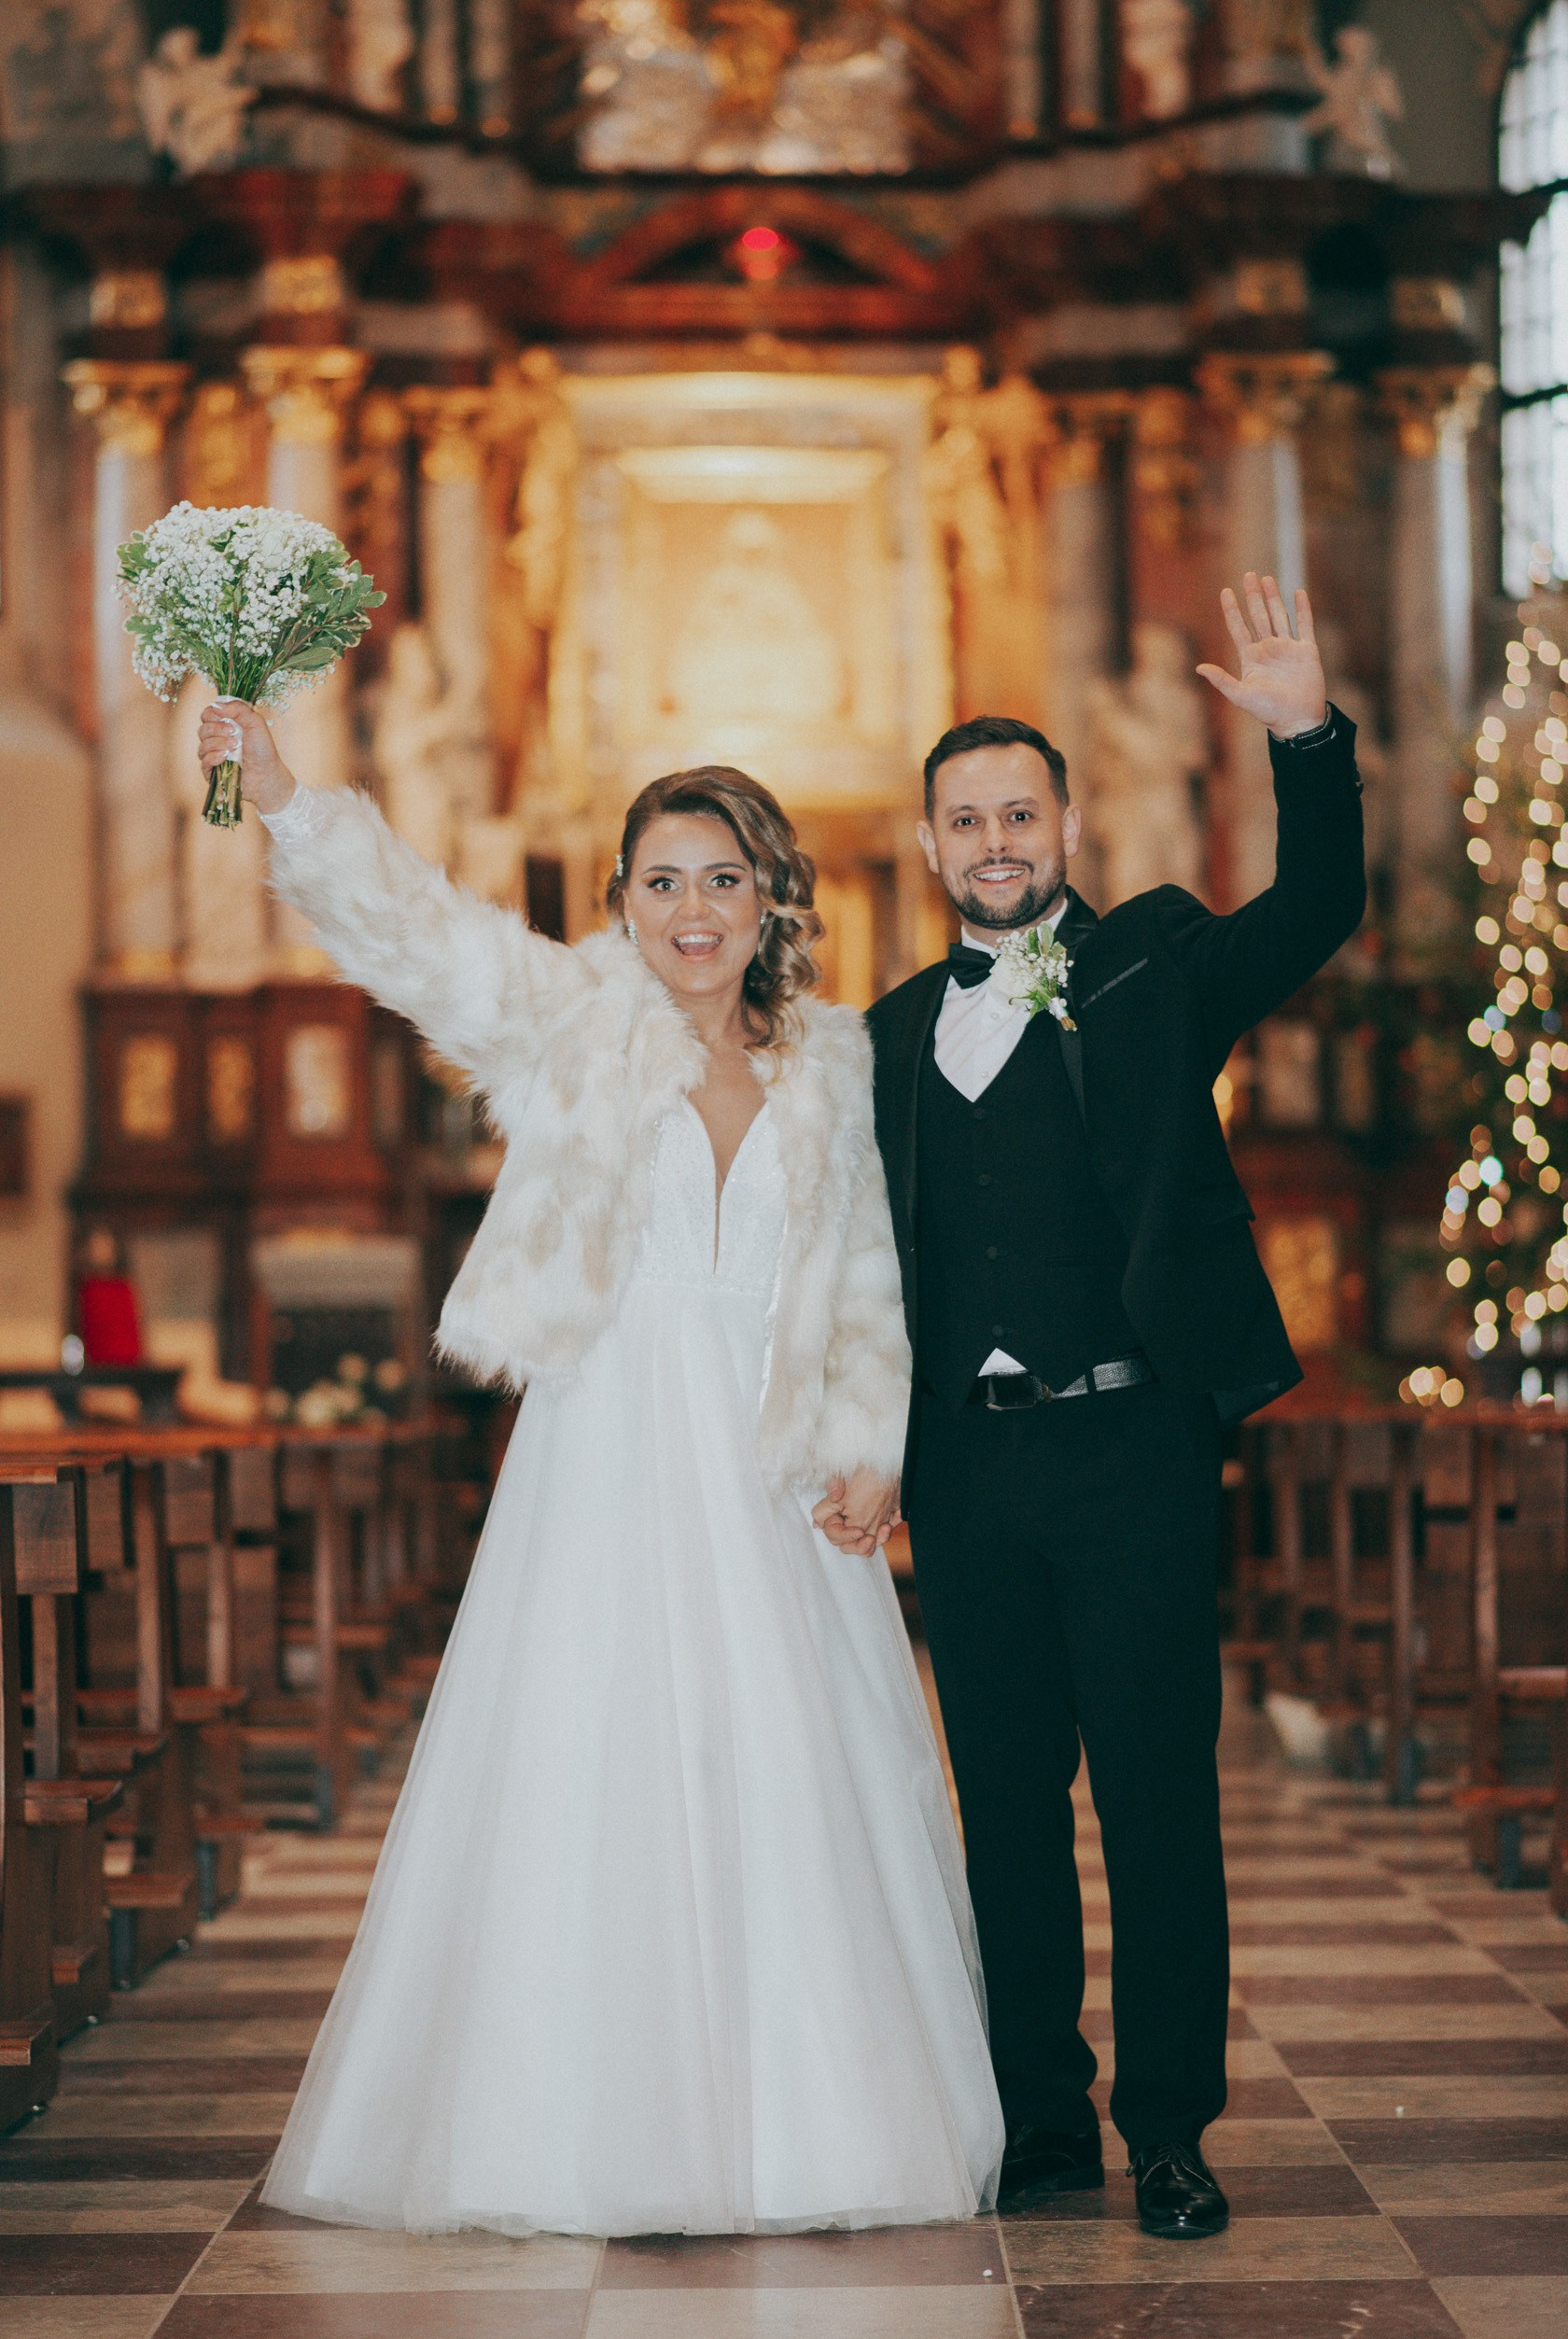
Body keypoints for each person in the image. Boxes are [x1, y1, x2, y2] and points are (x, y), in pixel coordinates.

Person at [195, 698, 1005, 2237]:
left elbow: (873, 1283)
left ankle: (799, 2127)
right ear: (619, 899)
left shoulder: (836, 1063)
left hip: (771, 1476)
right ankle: (573, 2125)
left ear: (769, 898)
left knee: (780, 1772)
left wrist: (873, 1453)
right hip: (608, 1447)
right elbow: (417, 934)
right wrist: (290, 795)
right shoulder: (570, 1020)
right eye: (660, 881)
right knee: (592, 1758)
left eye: (721, 880)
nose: (691, 912)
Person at [856, 574, 1365, 2238]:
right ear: (931, 848)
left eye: (1020, 808)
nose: (995, 838)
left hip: (1138, 1446)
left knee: (1157, 1806)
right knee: (1004, 1814)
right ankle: (1042, 2129)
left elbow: (1318, 906)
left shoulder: (1152, 965)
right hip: (974, 1472)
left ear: (1064, 821)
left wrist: (1307, 738)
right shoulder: (885, 1038)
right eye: (966, 818)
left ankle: (1168, 2132)